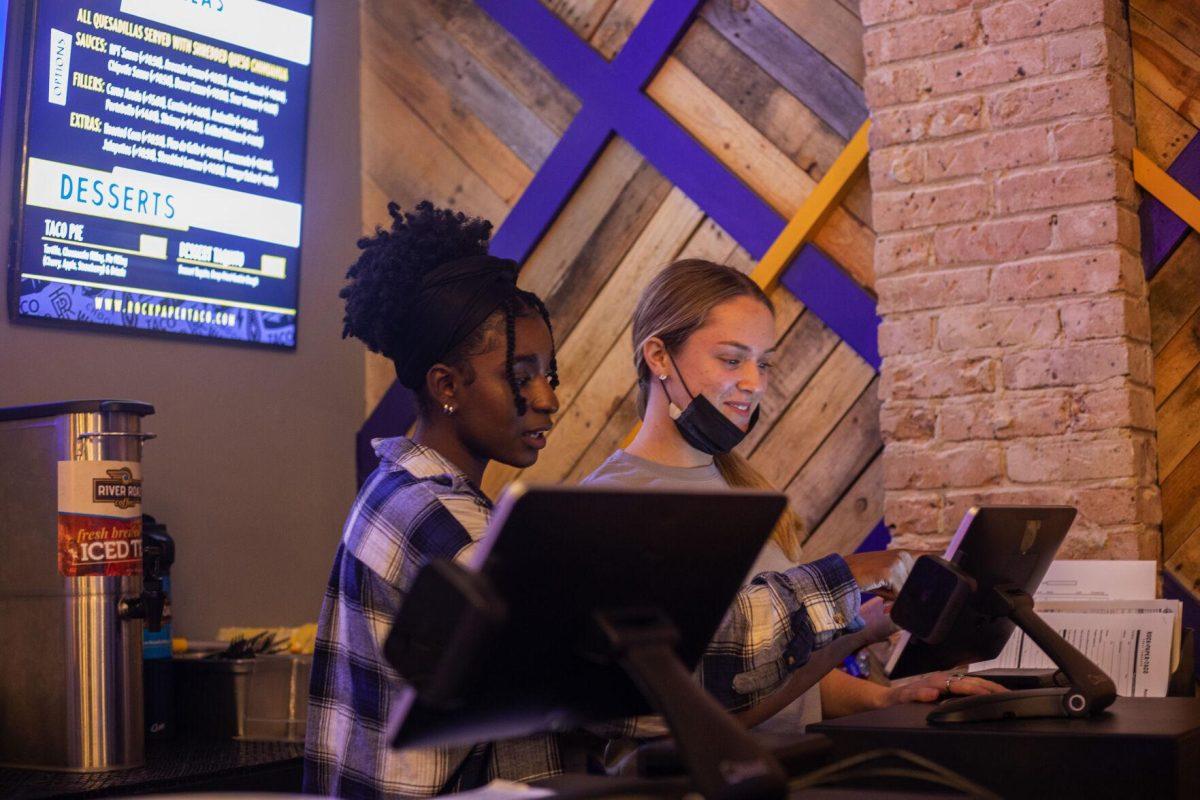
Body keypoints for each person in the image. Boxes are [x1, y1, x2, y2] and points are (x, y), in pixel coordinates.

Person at [583, 259, 1005, 733]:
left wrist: (885, 693)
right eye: (731, 359)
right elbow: (690, 708)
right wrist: (847, 581)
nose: (755, 382)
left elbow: (773, 675)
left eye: (762, 362)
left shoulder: (742, 488)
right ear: (658, 356)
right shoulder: (607, 506)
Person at [304, 202, 575, 798]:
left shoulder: (399, 491)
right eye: (520, 375)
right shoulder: (438, 520)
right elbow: (586, 681)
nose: (547, 399)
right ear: (446, 385)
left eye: (548, 374)